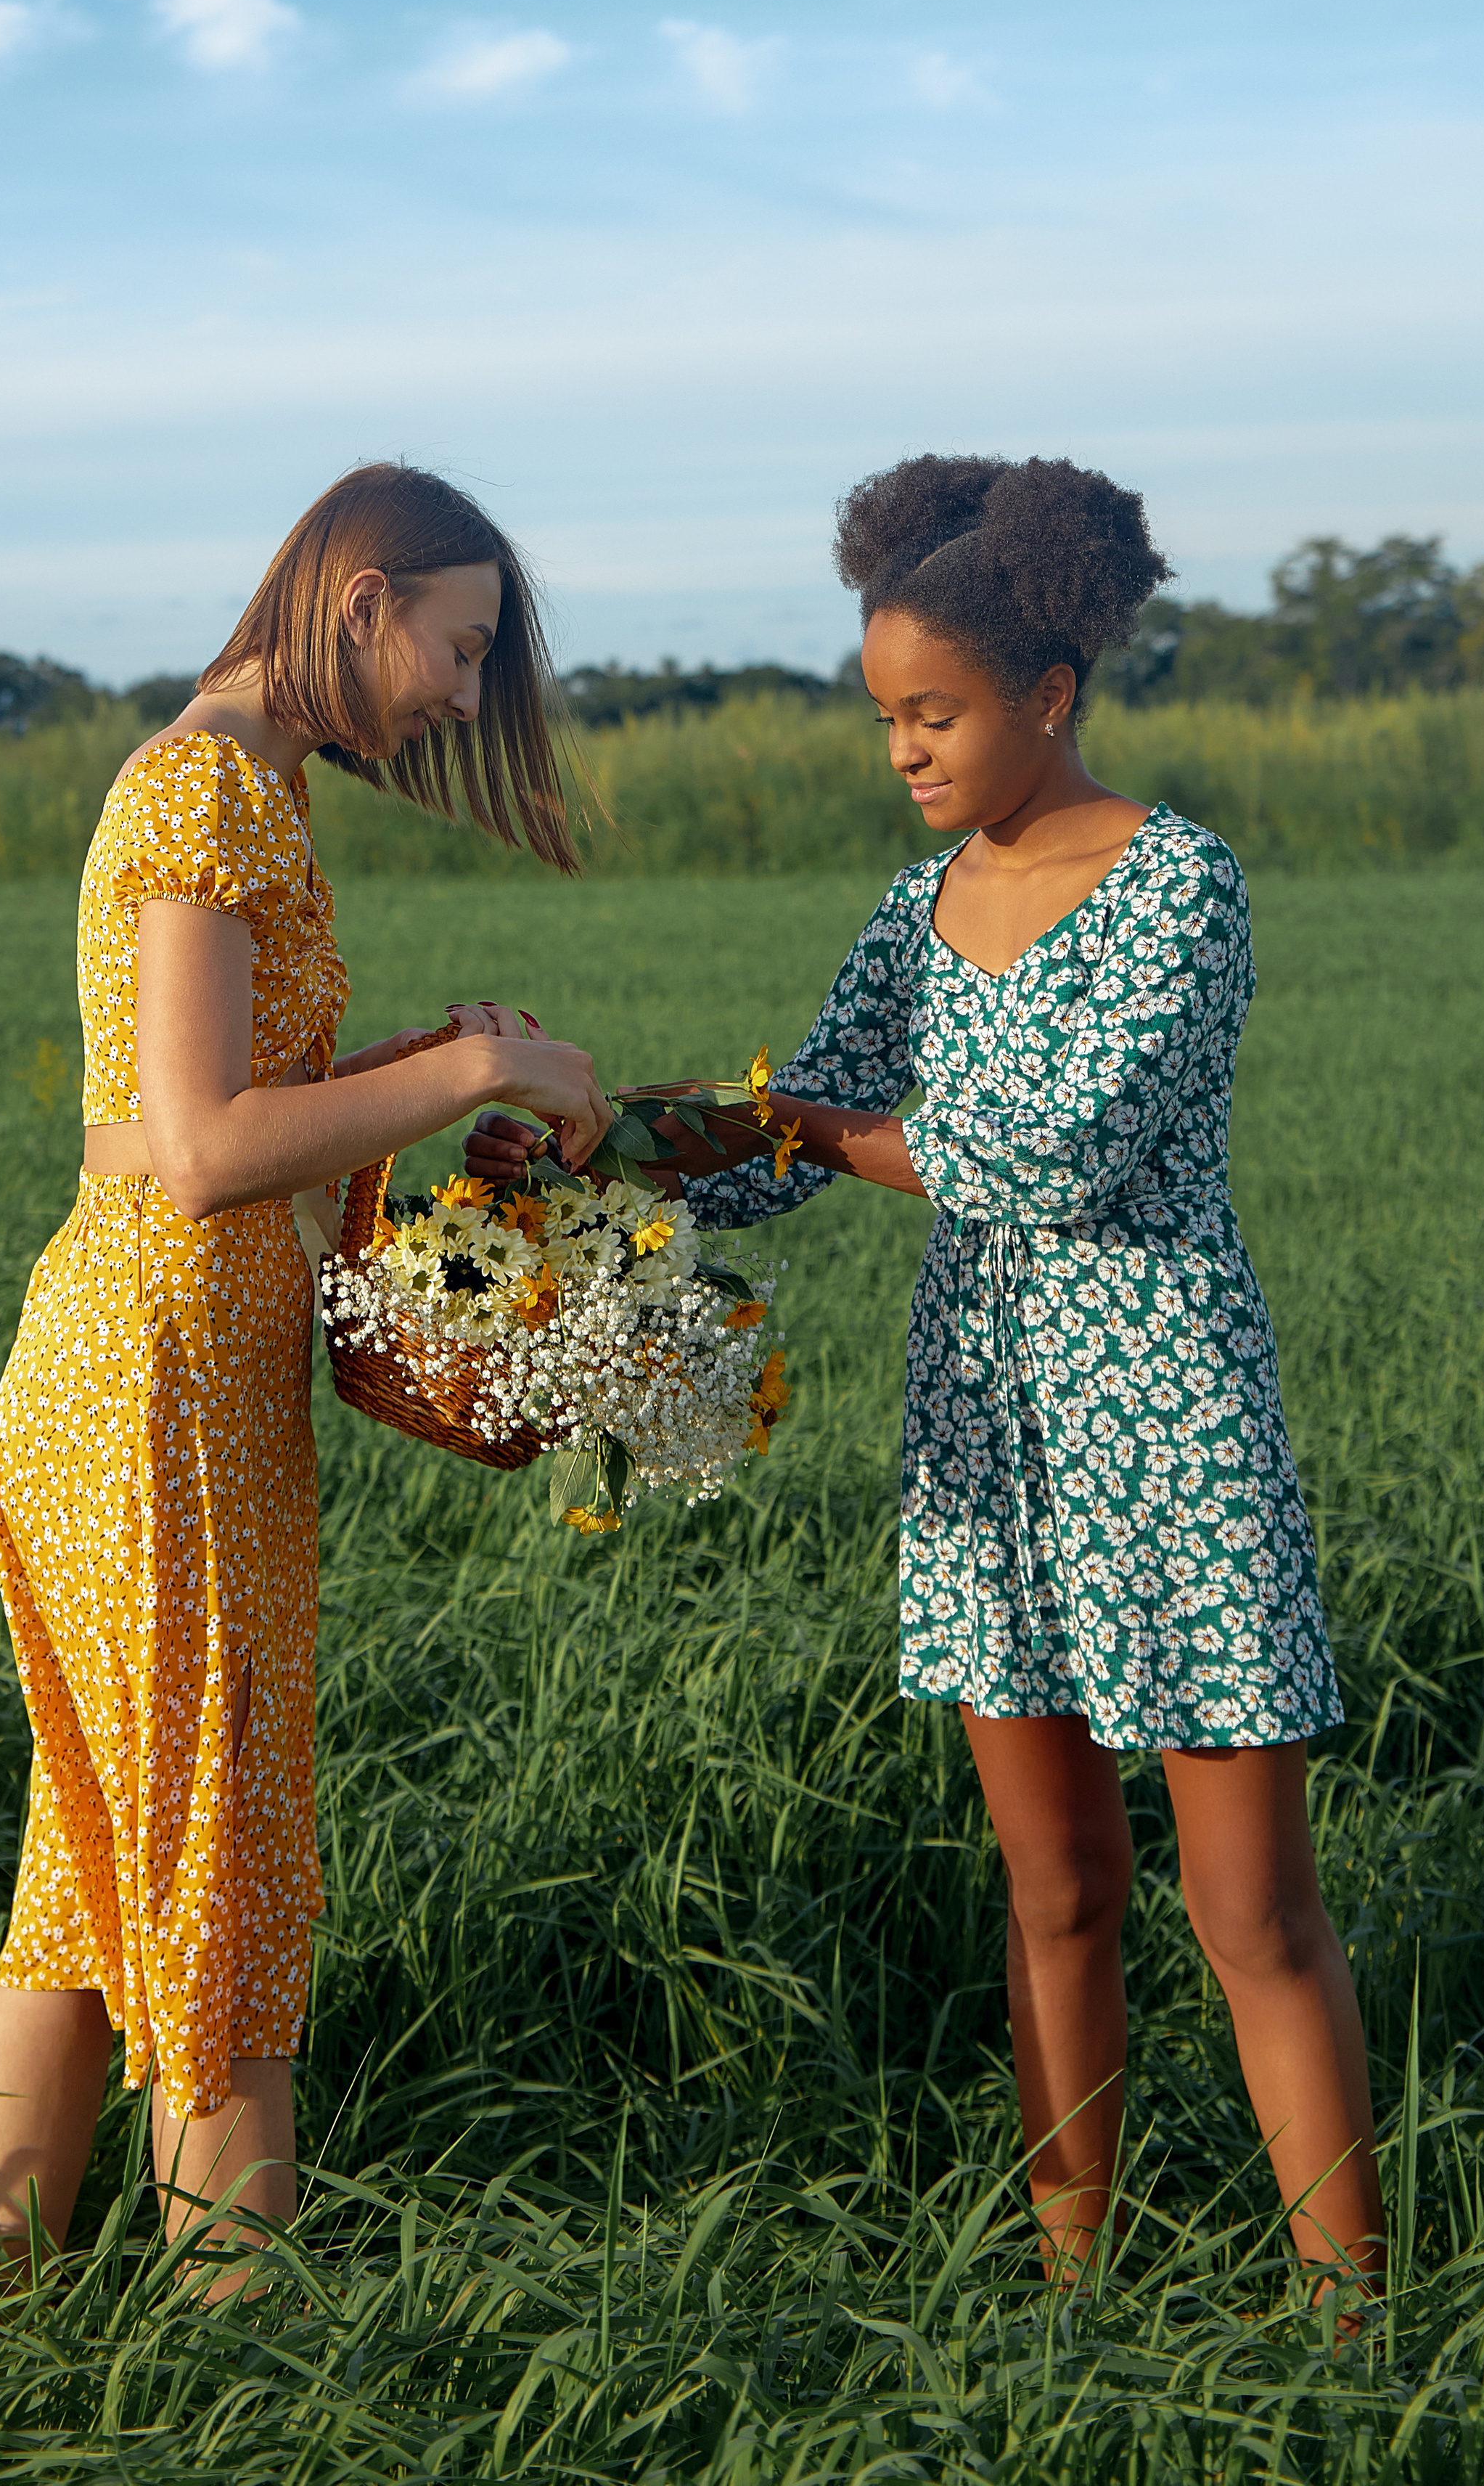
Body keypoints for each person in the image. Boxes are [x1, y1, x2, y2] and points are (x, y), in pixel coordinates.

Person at [470, 454, 1382, 2296]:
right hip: (986, 1429)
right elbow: (783, 1130)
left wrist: (815, 1123)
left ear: (1047, 692)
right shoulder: (916, 907)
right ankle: (1074, 2295)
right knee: (1052, 1891)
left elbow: (1039, 1153)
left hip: (1169, 1427)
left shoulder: (1176, 883)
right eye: (883, 716)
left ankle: (1349, 2323)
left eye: (935, 712)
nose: (903, 748)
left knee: (1245, 1910)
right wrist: (612, 1150)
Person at [0, 462, 613, 2285]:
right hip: (152, 1386)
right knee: (213, 1866)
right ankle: (241, 2361)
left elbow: (248, 1114)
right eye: (459, 649)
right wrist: (476, 1081)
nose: (463, 699)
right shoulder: (203, 793)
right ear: (360, 602)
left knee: (92, 1878)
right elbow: (198, 1145)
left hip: (169, 1376)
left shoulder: (248, 790)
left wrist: (423, 1053)